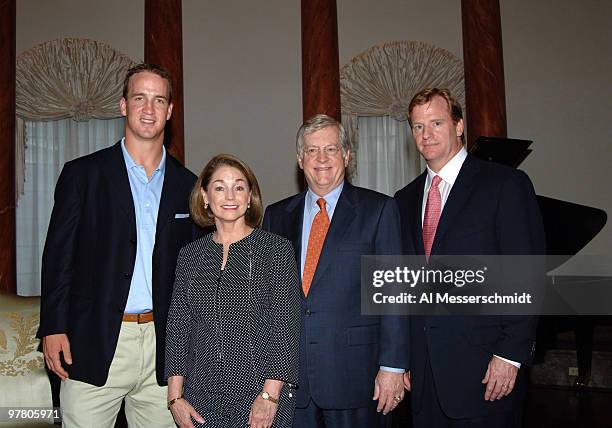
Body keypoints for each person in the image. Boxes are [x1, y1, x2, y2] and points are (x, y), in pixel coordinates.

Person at [36, 63, 200, 427]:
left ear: (170, 111)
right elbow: (58, 257)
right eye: (139, 97)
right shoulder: (82, 175)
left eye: (159, 100)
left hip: (165, 348)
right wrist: (53, 326)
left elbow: (196, 272)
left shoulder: (188, 185)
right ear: (123, 105)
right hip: (93, 339)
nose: (148, 108)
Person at [394, 87, 546, 427]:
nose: (426, 134)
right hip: (424, 377)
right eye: (418, 126)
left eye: (436, 123)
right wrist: (402, 359)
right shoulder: (403, 200)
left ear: (459, 125)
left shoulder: (504, 184)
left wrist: (510, 353)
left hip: (486, 370)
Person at [262, 114, 409, 428]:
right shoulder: (277, 216)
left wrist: (393, 367)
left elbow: (394, 296)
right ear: (300, 160)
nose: (322, 159)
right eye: (312, 151)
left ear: (346, 155)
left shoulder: (379, 210)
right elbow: (269, 302)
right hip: (292, 380)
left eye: (330, 149)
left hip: (356, 376)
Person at [165, 154, 301, 428]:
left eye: (239, 187)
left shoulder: (276, 250)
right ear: (205, 196)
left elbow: (285, 328)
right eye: (219, 187)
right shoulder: (190, 255)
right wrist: (174, 397)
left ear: (250, 196)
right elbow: (179, 326)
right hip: (200, 400)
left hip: (259, 397)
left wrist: (269, 396)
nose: (230, 195)